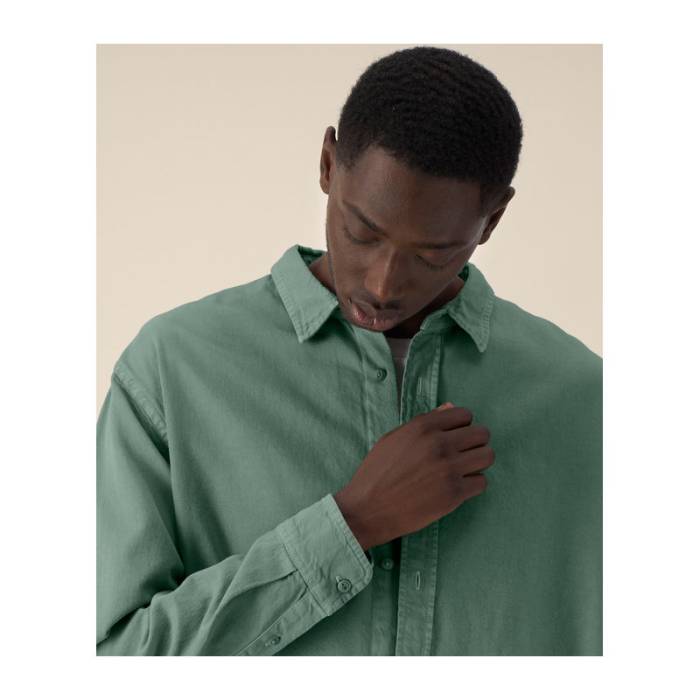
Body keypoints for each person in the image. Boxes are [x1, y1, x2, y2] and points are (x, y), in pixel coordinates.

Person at [97, 46, 602, 656]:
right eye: (362, 231)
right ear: (328, 165)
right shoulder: (173, 370)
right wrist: (352, 524)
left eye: (432, 255)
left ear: (492, 220)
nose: (383, 284)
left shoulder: (588, 405)